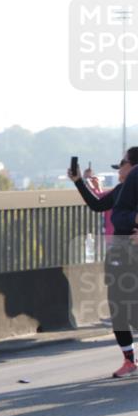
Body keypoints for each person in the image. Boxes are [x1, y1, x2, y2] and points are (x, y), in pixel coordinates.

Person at [69, 146, 138, 378]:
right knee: (118, 308)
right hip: (119, 254)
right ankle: (129, 360)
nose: (119, 168)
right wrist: (79, 182)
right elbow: (98, 205)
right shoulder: (121, 190)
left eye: (123, 163)